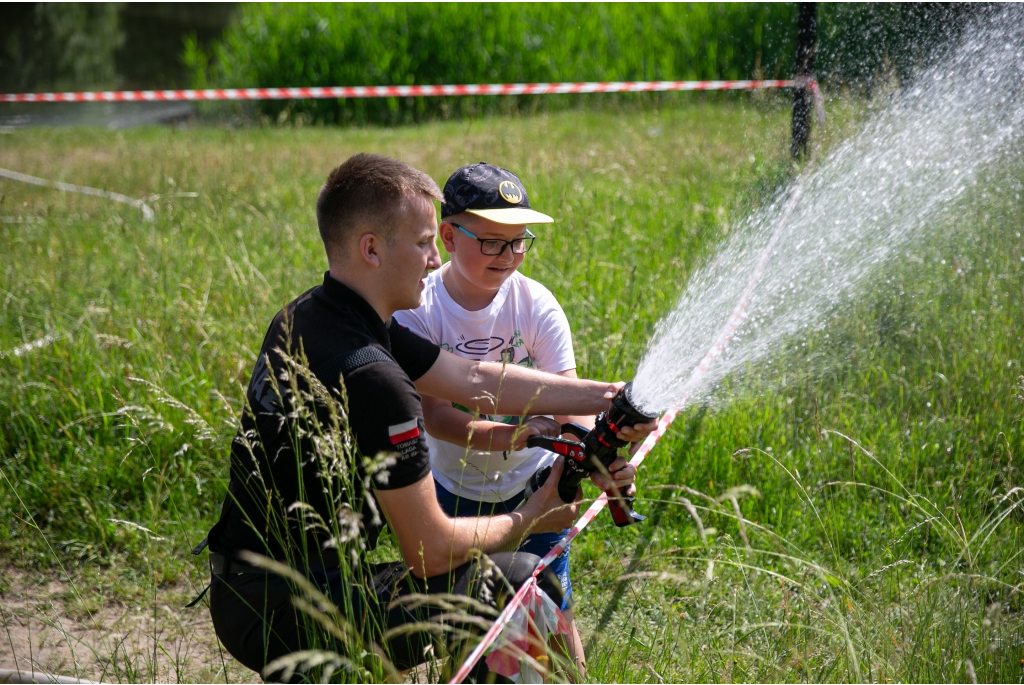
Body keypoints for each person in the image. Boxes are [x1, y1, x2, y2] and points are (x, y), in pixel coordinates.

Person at [203, 153, 654, 682]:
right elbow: (428, 552)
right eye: (423, 242)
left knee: (497, 578)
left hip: (247, 589)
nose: (434, 258)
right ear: (371, 248)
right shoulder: (377, 379)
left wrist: (609, 397)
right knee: (518, 584)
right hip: (291, 611)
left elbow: (474, 380)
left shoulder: (313, 314)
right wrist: (534, 514)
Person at [394, 162, 639, 678]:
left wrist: (594, 456)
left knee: (555, 615)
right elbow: (436, 415)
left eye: (519, 242)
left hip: (538, 488)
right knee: (471, 626)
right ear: (446, 235)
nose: (508, 257)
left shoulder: (537, 305)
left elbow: (567, 404)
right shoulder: (419, 310)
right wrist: (515, 434)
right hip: (452, 495)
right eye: (491, 242)